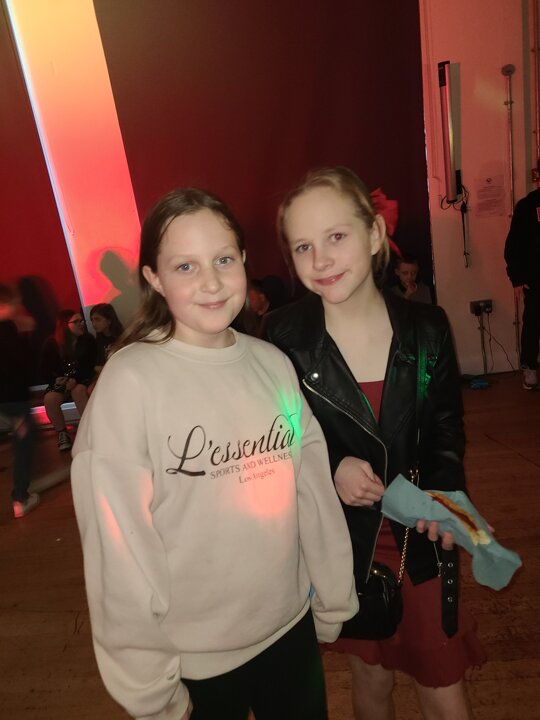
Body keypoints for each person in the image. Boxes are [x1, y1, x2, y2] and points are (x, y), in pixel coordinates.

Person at [70, 187, 358, 720]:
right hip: (194, 663)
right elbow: (118, 549)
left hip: (290, 634)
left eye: (223, 259)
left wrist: (333, 597)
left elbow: (311, 490)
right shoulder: (130, 382)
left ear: (244, 260)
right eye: (185, 266)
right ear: (154, 278)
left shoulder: (272, 364)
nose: (210, 282)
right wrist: (150, 690)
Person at [265, 167, 486, 720]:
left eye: (336, 236)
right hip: (343, 539)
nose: (321, 260)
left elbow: (445, 428)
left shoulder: (426, 327)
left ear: (373, 234)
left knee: (442, 685)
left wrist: (445, 495)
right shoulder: (284, 337)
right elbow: (275, 441)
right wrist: (329, 466)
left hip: (419, 532)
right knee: (369, 675)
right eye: (303, 246)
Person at [0, 284, 39, 518]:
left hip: (7, 402)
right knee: (23, 445)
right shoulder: (8, 329)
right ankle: (20, 498)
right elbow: (21, 365)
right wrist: (26, 336)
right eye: (14, 303)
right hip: (13, 400)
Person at [40, 309, 97, 451]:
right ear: (65, 325)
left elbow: (89, 366)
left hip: (82, 379)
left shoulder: (88, 340)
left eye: (82, 321)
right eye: (76, 321)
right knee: (50, 399)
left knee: (79, 390)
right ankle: (62, 434)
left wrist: (75, 379)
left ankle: (90, 430)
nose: (81, 324)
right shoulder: (52, 343)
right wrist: (57, 379)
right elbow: (45, 369)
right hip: (63, 382)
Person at [504, 187, 540, 390]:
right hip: (535, 278)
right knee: (533, 322)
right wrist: (516, 278)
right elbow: (514, 243)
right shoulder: (528, 205)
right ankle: (530, 368)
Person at [89, 302, 125, 374]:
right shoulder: (99, 340)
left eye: (97, 319)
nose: (94, 324)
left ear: (109, 320)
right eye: (92, 320)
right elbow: (98, 363)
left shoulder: (121, 338)